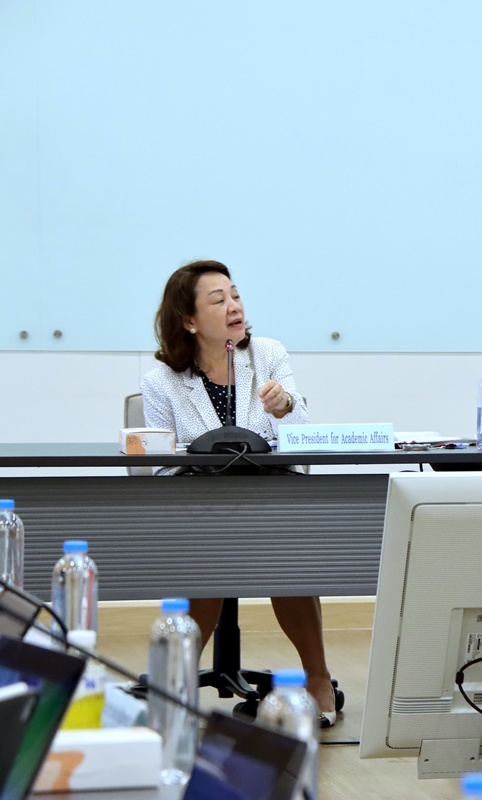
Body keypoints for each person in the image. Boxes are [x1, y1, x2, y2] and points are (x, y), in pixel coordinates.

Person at [140, 259, 339, 726]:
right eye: (218, 300)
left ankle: (318, 679)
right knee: (208, 558)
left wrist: (285, 407)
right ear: (189, 321)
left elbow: (302, 438)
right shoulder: (160, 382)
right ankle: (178, 691)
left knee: (287, 556)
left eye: (235, 295)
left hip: (270, 500)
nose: (234, 306)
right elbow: (160, 465)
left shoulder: (267, 354)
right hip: (200, 508)